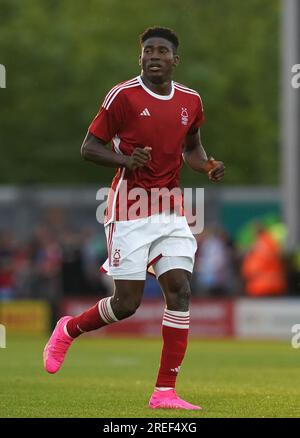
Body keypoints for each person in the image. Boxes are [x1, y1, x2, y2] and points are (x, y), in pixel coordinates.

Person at [43, 26, 225, 410]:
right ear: (139, 57)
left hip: (172, 208)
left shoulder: (191, 100)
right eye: (148, 50)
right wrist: (125, 159)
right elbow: (89, 147)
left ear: (175, 60)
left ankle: (164, 393)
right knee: (127, 304)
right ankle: (69, 329)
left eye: (162, 51)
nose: (154, 55)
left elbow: (192, 146)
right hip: (129, 208)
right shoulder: (122, 96)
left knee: (181, 291)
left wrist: (205, 165)